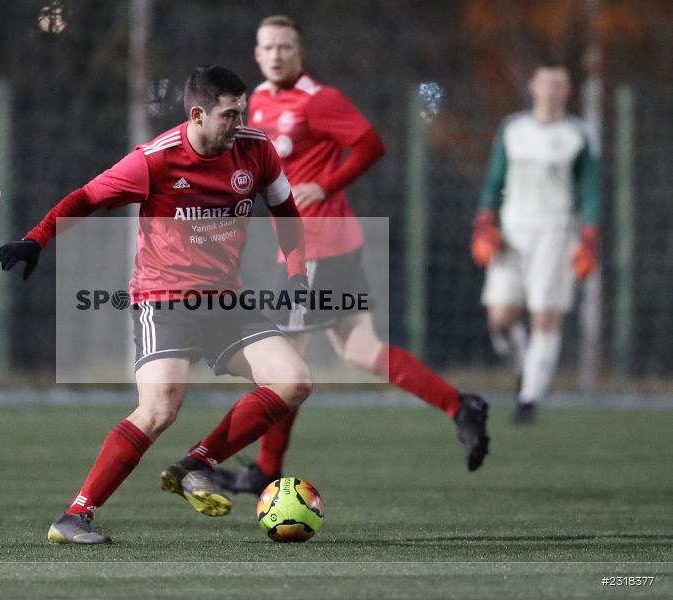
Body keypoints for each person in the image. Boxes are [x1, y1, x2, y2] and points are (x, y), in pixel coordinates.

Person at [0, 66, 314, 544]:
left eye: (242, 112)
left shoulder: (257, 149)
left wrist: (295, 271)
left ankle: (196, 464)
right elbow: (86, 198)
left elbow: (288, 217)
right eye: (229, 114)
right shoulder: (155, 160)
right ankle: (75, 516)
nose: (239, 122)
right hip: (164, 300)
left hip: (226, 300)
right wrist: (36, 239)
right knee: (159, 408)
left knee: (294, 380)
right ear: (197, 114)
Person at [210, 15, 490, 497]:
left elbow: (369, 144)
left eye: (285, 46)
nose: (276, 54)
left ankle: (265, 469)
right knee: (360, 351)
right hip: (315, 245)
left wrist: (327, 183)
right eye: (268, 47)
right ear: (257, 54)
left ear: (301, 51)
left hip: (319, 244)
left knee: (283, 363)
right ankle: (461, 406)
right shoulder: (255, 102)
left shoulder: (321, 100)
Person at [473, 64, 600, 424]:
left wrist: (589, 232)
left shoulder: (578, 134)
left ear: (568, 90)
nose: (551, 90)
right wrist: (485, 217)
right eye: (546, 83)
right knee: (500, 318)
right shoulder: (514, 129)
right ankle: (524, 365)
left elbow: (590, 188)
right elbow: (495, 177)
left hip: (556, 230)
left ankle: (528, 399)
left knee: (545, 315)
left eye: (559, 84)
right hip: (513, 230)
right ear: (532, 86)